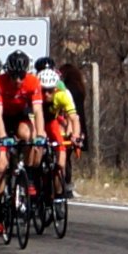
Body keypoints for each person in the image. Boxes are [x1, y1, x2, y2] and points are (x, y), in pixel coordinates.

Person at [0, 50, 44, 236]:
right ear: (8, 73)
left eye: (21, 76)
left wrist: (41, 134)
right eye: (14, 76)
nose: (18, 80)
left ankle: (27, 175)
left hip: (20, 117)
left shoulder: (33, 82)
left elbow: (37, 111)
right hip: (2, 120)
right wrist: (3, 137)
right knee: (0, 166)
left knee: (28, 135)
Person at [38, 68, 80, 198]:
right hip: (35, 122)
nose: (46, 95)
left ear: (55, 89)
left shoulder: (63, 95)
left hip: (51, 123)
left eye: (50, 91)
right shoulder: (34, 95)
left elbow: (74, 118)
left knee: (60, 163)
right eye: (43, 90)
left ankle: (58, 193)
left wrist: (75, 136)